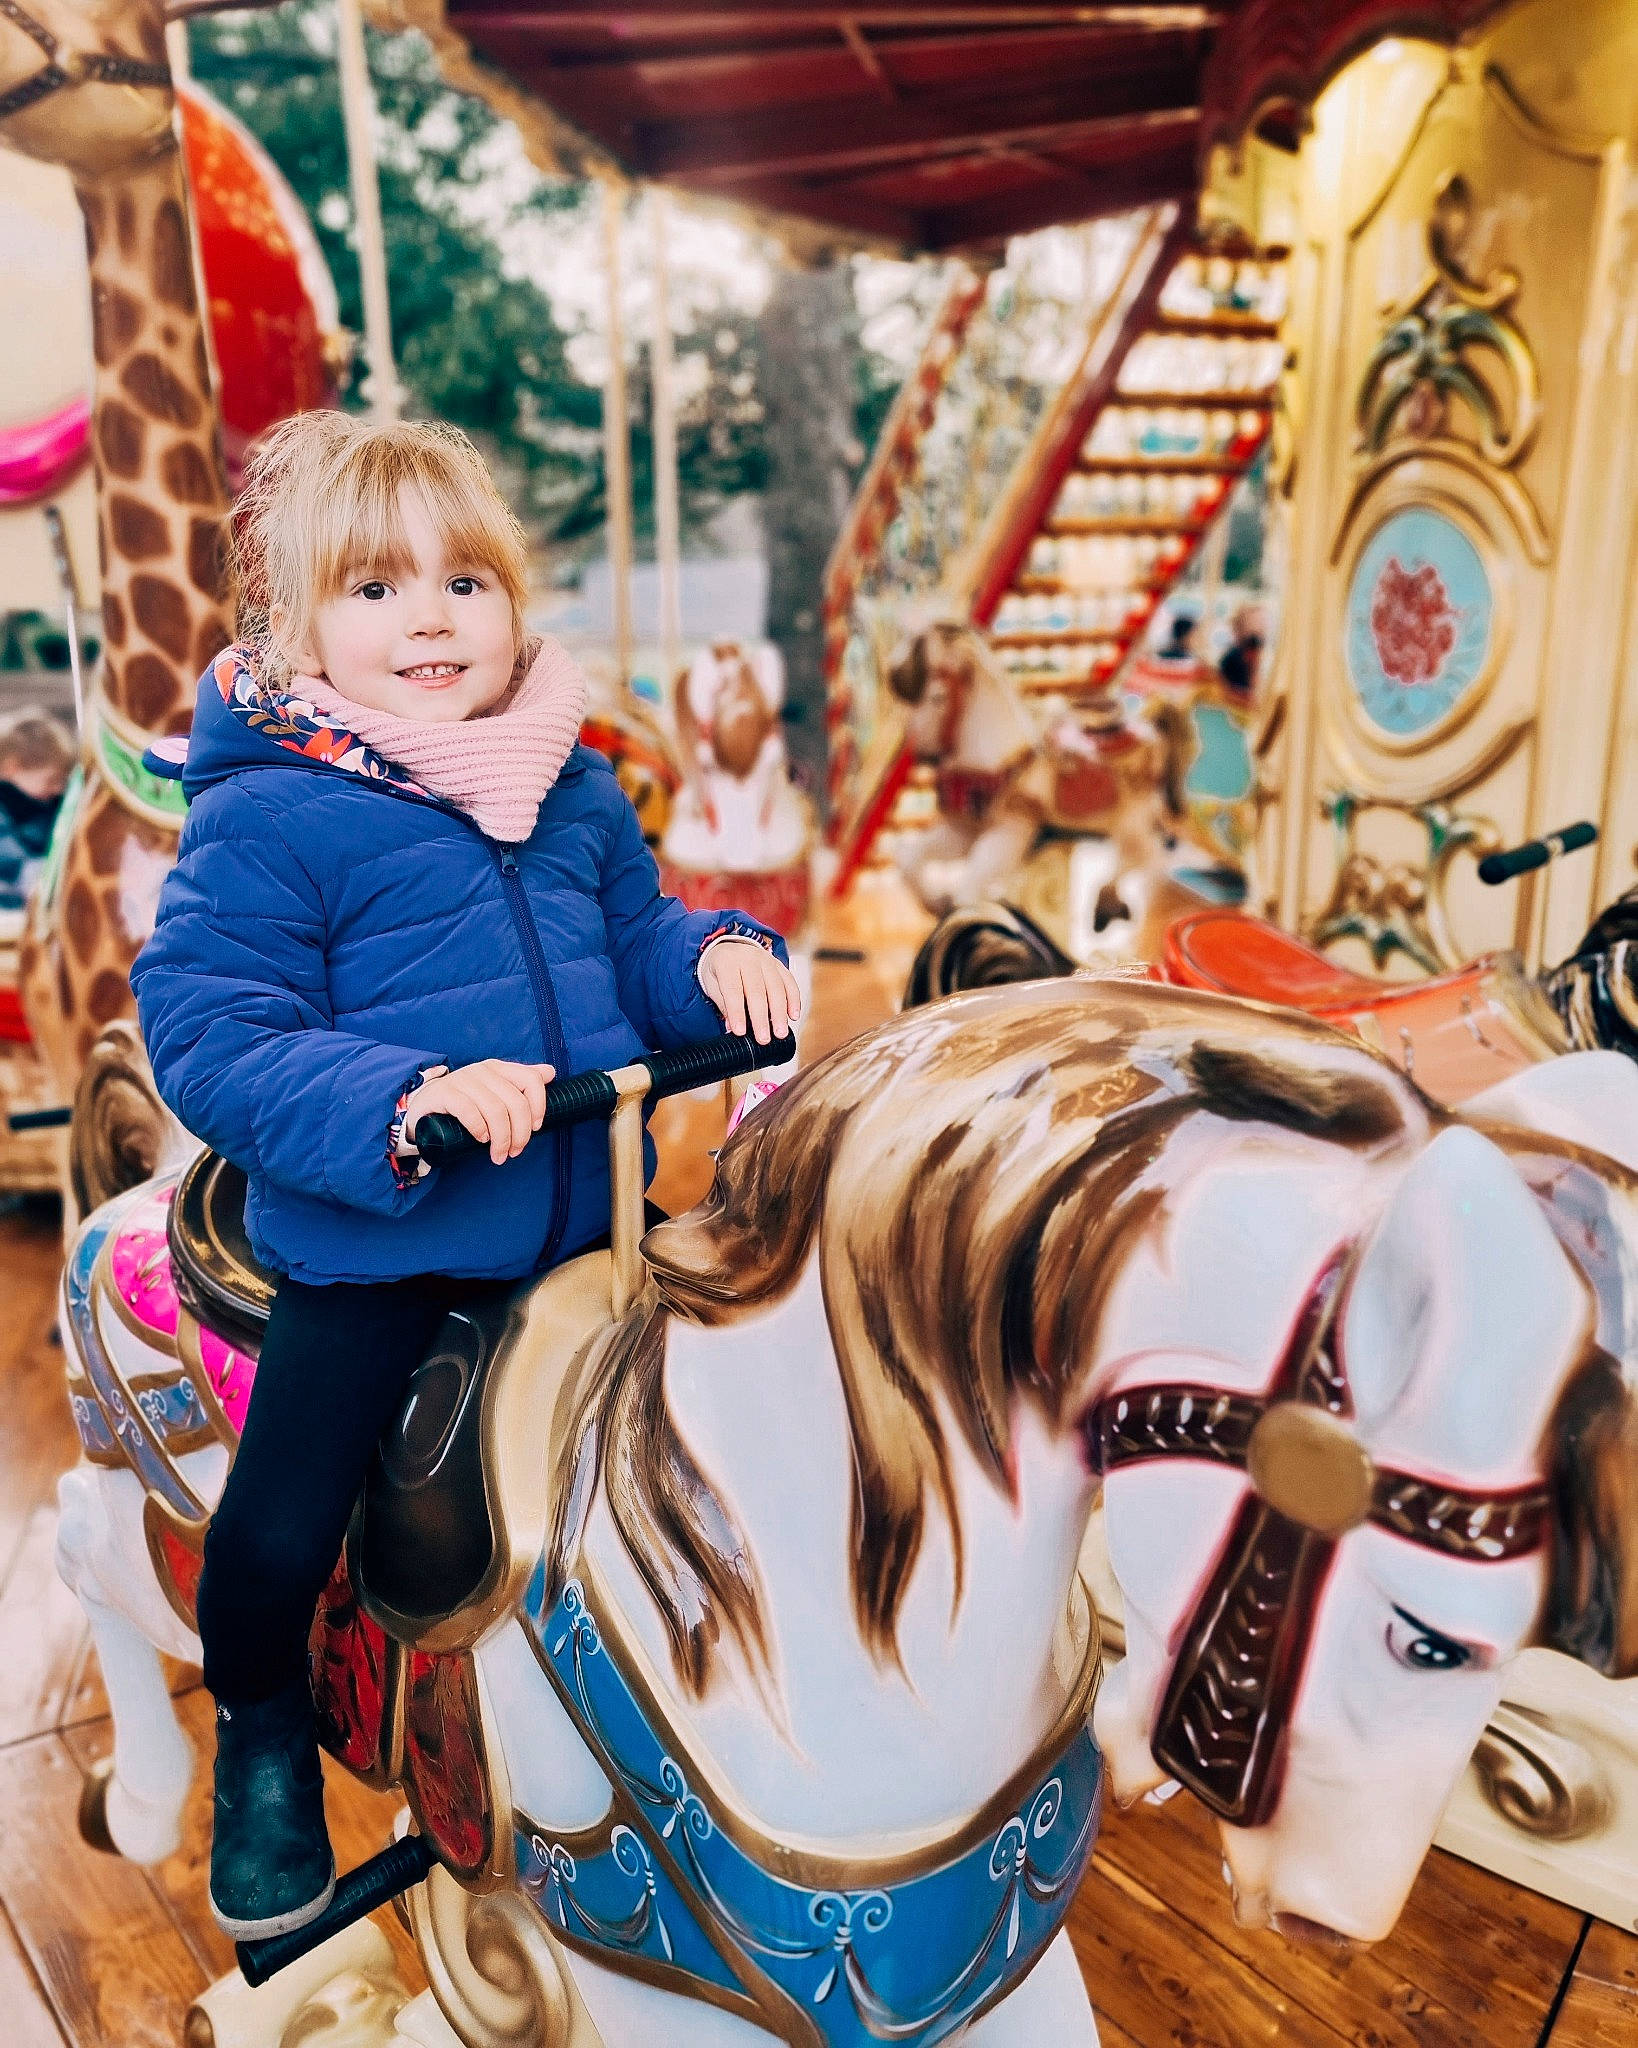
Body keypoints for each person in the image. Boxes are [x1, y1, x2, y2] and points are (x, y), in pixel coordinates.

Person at [130, 413, 800, 1941]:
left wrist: (710, 959)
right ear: (299, 628)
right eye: (374, 591)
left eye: (464, 582)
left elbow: (630, 934)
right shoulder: (271, 813)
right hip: (388, 1244)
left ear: (511, 606)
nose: (429, 616)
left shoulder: (566, 783)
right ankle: (264, 1736)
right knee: (285, 1524)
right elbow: (214, 1029)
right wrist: (405, 1096)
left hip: (597, 1220)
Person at [0, 706, 74, 909]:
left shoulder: (52, 807)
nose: (58, 789)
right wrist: (41, 877)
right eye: (51, 780)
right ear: (12, 769)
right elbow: (9, 858)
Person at [1218, 603, 1267, 700]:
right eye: (1257, 622)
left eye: (1263, 621)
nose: (1263, 626)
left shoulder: (1252, 650)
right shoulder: (1234, 656)